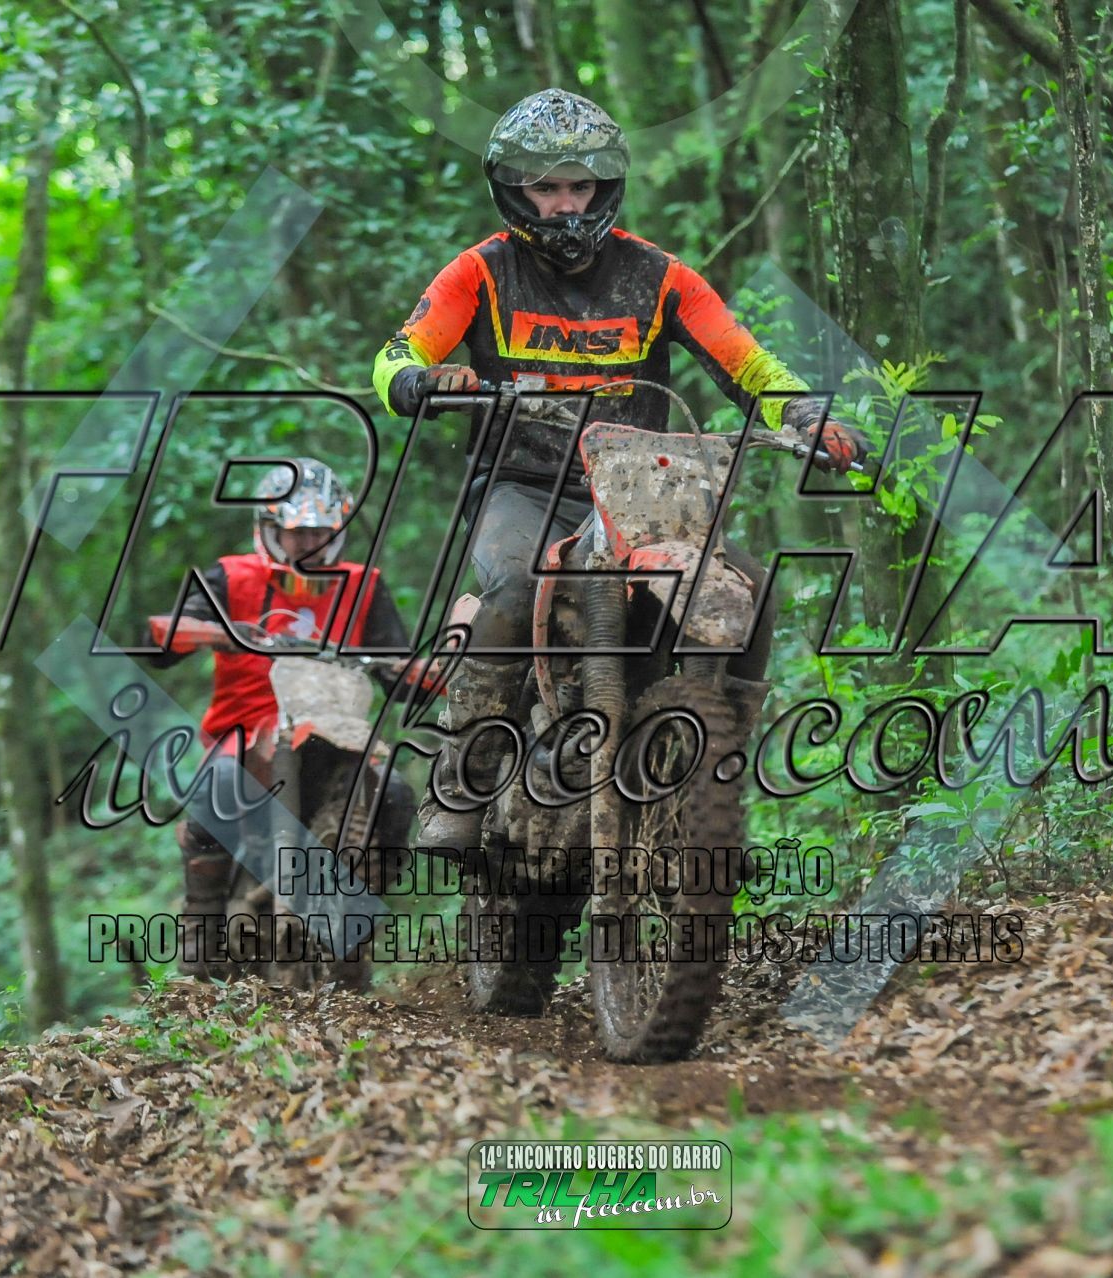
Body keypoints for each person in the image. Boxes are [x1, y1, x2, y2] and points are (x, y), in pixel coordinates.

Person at [371, 89, 866, 850]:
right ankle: (466, 779)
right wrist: (417, 381)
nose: (566, 204)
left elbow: (747, 362)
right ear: (514, 190)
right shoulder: (479, 273)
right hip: (525, 483)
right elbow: (397, 352)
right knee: (513, 585)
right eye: (546, 187)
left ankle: (718, 780)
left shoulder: (660, 276)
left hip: (643, 489)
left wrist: (804, 414)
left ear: (606, 186)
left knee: (752, 589)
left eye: (580, 185)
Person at [148, 458, 416, 977]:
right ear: (270, 530)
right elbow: (165, 644)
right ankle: (200, 934)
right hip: (248, 731)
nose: (308, 543)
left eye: (319, 531)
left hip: (334, 729)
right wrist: (193, 631)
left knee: (395, 792)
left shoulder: (363, 584)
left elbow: (399, 674)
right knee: (216, 784)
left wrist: (422, 671)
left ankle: (363, 908)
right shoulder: (231, 577)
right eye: (297, 532)